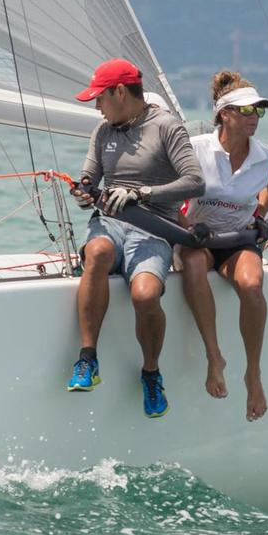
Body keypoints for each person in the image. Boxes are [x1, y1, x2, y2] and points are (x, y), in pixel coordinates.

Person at [69, 58, 205, 418]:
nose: (97, 106)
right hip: (110, 223)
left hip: (153, 226)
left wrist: (143, 193)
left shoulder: (166, 127)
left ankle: (150, 373)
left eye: (100, 98)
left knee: (145, 295)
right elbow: (88, 178)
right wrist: (84, 194)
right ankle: (87, 360)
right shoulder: (102, 132)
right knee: (96, 252)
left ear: (119, 92)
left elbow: (195, 181)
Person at [177, 71, 268, 421]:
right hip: (197, 239)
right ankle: (214, 356)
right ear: (224, 114)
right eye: (246, 111)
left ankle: (253, 373)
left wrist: (261, 215)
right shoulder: (194, 149)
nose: (254, 118)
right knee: (194, 263)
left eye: (258, 111)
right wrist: (185, 227)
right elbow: (168, 196)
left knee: (252, 283)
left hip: (238, 240)